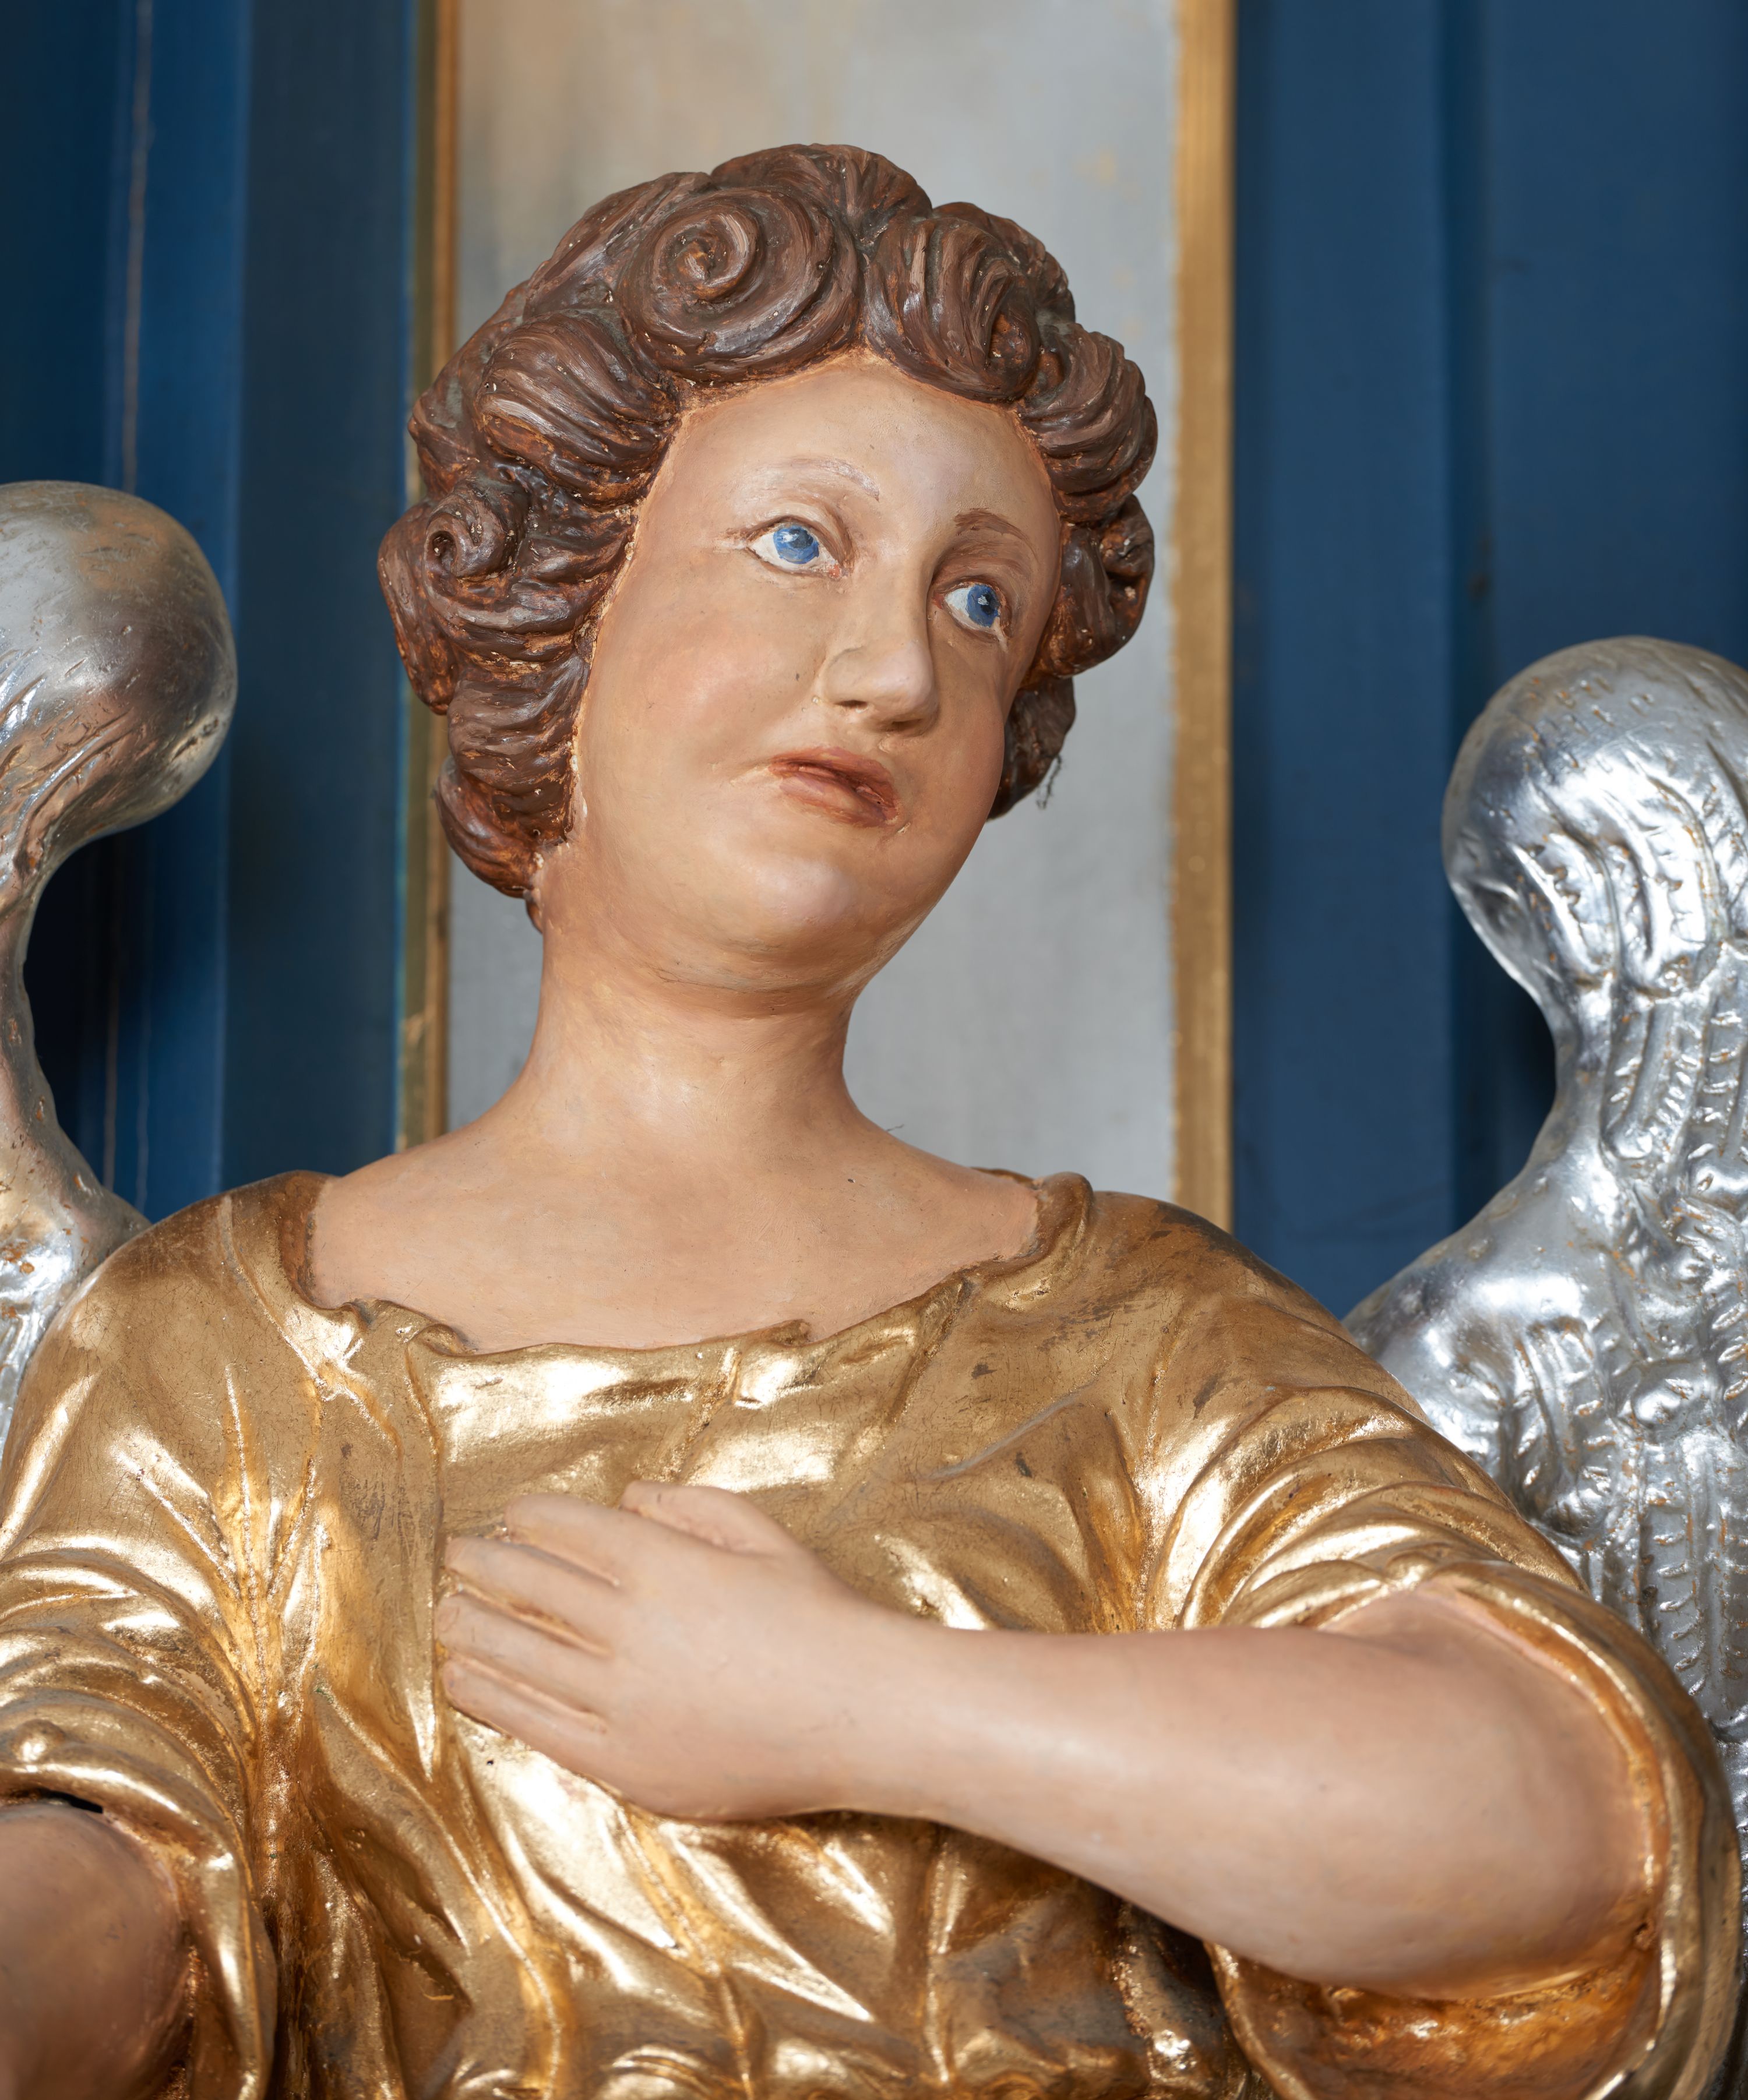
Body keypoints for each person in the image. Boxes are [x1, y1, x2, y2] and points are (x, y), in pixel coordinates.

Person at [0, 146, 1735, 2100]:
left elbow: (1570, 1831)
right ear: (561, 604)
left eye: (978, 602)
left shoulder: (1137, 1345)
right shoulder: (221, 1349)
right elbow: (115, 1880)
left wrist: (859, 1701)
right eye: (799, 544)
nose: (899, 670)